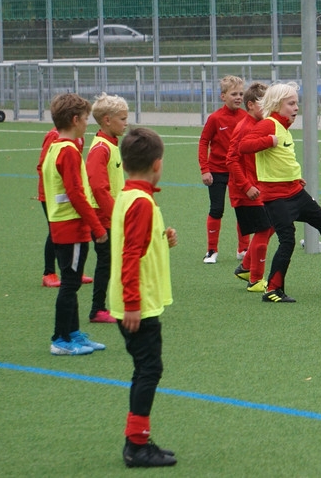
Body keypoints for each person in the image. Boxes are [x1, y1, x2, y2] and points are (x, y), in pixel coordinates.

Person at [238, 81, 321, 303]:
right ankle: (273, 290)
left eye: (297, 103)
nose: (296, 107)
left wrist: (295, 178)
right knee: (287, 241)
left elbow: (281, 160)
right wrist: (268, 141)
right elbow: (243, 146)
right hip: (276, 198)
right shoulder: (269, 125)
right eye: (291, 103)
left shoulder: (284, 128)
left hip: (295, 191)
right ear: (277, 105)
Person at [108, 127, 178, 468]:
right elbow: (130, 255)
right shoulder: (141, 203)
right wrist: (133, 304)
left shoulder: (130, 195)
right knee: (148, 370)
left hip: (135, 301)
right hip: (138, 305)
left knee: (146, 369)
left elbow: (136, 243)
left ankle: (138, 439)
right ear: (157, 164)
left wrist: (163, 238)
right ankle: (136, 445)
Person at [42, 93, 108, 356]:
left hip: (62, 223)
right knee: (70, 284)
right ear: (74, 120)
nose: (87, 123)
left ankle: (73, 333)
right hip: (71, 226)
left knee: (72, 283)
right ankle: (60, 339)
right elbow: (76, 194)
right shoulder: (68, 151)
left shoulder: (55, 147)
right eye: (85, 118)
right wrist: (97, 228)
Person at [85, 93, 129, 324]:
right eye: (122, 119)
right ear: (107, 120)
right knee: (106, 262)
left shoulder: (110, 144)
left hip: (110, 214)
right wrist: (117, 214)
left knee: (113, 261)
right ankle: (97, 309)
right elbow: (98, 188)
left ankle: (113, 303)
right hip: (103, 216)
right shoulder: (101, 148)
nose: (126, 123)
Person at [228, 82, 275, 292]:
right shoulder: (244, 127)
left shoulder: (259, 125)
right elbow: (231, 159)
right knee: (264, 229)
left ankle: (246, 267)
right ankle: (255, 280)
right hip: (246, 192)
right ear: (250, 105)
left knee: (271, 225)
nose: (268, 109)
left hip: (258, 188)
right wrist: (246, 186)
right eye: (264, 104)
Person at [198, 75, 246, 263]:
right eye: (234, 94)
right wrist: (205, 169)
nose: (238, 97)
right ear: (223, 96)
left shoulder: (246, 118)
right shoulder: (215, 118)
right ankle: (212, 250)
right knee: (217, 209)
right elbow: (204, 142)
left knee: (243, 209)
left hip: (239, 171)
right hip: (217, 170)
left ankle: (243, 249)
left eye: (241, 94)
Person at [37, 127, 91, 288]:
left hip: (71, 195)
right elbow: (43, 166)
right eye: (84, 117)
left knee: (76, 231)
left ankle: (76, 271)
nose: (86, 122)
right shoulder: (54, 136)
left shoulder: (79, 137)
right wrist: (55, 187)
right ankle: (49, 273)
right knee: (53, 231)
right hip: (52, 195)